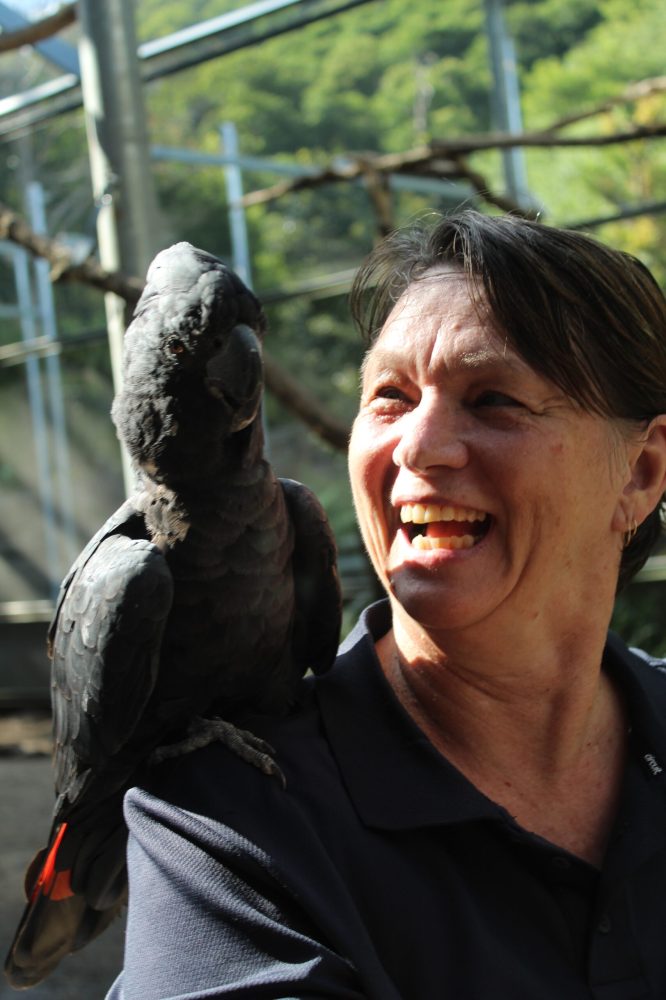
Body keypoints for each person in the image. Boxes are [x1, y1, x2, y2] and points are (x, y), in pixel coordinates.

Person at [107, 211, 666, 999]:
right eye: (391, 396)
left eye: (495, 398)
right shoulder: (228, 820)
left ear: (640, 472)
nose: (417, 445)